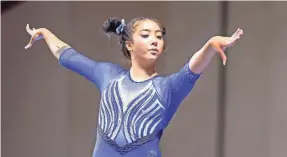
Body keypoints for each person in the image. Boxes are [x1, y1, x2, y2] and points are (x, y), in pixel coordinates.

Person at [25, 16, 243, 157]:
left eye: (159, 36)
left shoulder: (167, 89)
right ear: (129, 44)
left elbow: (191, 70)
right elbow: (68, 56)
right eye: (146, 35)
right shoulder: (108, 75)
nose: (154, 40)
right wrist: (45, 33)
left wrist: (210, 46)